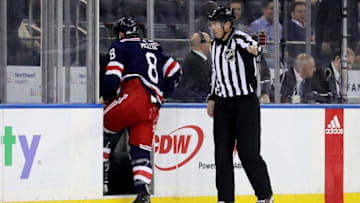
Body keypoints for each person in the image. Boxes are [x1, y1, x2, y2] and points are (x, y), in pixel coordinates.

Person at [102, 16, 182, 203]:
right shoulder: (155, 46)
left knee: (103, 127)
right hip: (153, 106)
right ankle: (143, 192)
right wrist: (166, 92)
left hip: (133, 97)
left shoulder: (120, 46)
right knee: (140, 149)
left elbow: (113, 77)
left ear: (121, 33)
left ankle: (102, 175)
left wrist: (106, 96)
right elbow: (175, 69)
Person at [206, 7, 273, 203]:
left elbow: (253, 44)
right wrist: (212, 97)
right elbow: (215, 73)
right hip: (223, 105)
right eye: (211, 24)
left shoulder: (239, 38)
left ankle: (264, 195)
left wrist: (255, 49)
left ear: (227, 25)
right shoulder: (214, 45)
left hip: (245, 105)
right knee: (222, 154)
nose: (212, 28)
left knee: (248, 152)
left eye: (215, 24)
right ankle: (225, 199)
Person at [173, 31, 212, 102]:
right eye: (209, 42)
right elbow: (202, 84)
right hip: (192, 102)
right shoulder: (194, 61)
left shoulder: (198, 59)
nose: (210, 45)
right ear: (201, 45)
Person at [249, 0, 282, 69]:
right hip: (261, 61)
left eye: (278, 9)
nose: (276, 11)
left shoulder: (279, 27)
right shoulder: (255, 25)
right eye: (272, 8)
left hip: (277, 59)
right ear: (264, 9)